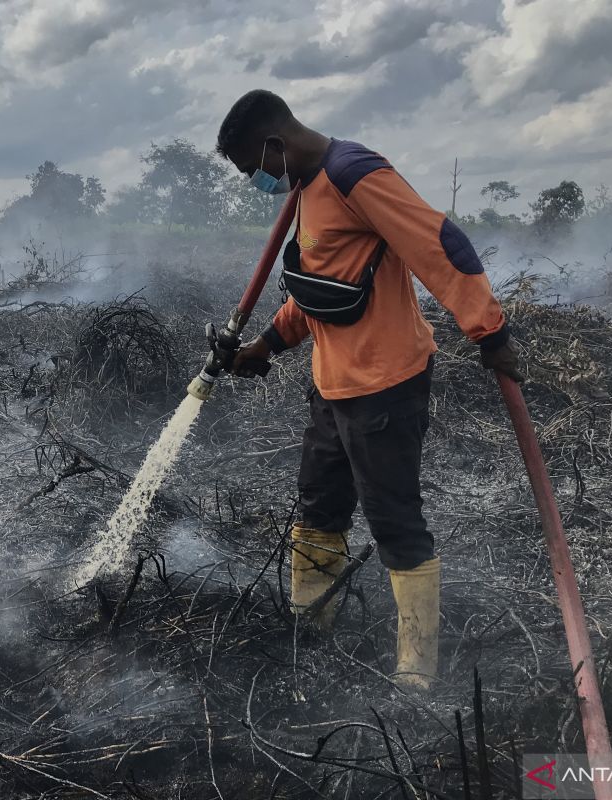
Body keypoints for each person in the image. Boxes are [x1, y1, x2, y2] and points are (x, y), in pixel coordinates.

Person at [217, 89, 524, 690]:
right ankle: (311, 626)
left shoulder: (356, 175)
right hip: (333, 388)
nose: (258, 181)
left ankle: (417, 670)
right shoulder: (307, 192)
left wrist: (490, 333)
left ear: (275, 145)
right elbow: (321, 290)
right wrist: (266, 347)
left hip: (386, 386)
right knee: (318, 508)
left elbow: (442, 244)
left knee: (394, 520)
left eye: (254, 168)